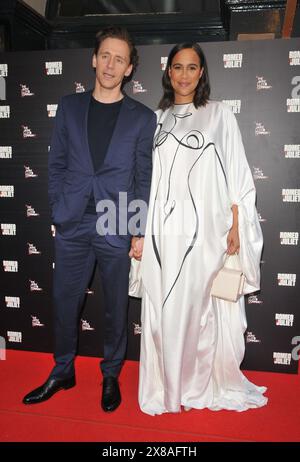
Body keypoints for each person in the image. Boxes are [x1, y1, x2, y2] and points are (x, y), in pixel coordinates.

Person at [22, 26, 156, 412]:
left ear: (129, 69)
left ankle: (111, 374)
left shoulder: (142, 118)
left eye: (120, 59)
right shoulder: (69, 106)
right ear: (94, 59)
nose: (111, 64)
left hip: (116, 218)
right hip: (73, 219)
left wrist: (139, 228)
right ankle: (63, 370)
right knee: (65, 302)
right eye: (106, 56)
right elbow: (57, 164)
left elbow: (143, 177)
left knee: (116, 306)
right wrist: (57, 210)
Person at [138, 43, 268, 415]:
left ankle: (196, 384)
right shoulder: (156, 119)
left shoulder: (219, 115)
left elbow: (236, 172)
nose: (183, 75)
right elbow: (147, 178)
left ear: (201, 73)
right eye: (177, 67)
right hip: (164, 231)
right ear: (168, 72)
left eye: (191, 67)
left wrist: (237, 224)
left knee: (197, 310)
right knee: (163, 309)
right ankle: (164, 385)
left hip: (204, 232)